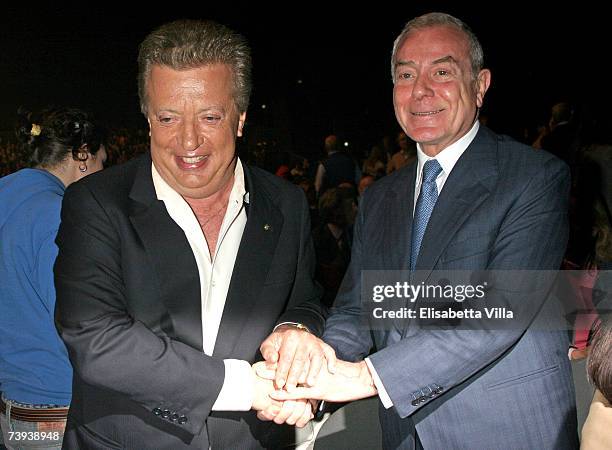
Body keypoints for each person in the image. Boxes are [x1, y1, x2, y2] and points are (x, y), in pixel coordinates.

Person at [267, 12, 578, 449]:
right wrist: (309, 373)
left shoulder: (533, 176)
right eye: (406, 74)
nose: (421, 91)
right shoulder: (379, 197)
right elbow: (360, 309)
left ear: (481, 85)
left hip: (506, 428)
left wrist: (368, 377)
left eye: (443, 72)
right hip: (404, 433)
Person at [53, 20, 334, 450]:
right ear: (147, 118)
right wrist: (248, 387)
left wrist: (296, 330)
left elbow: (304, 299)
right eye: (168, 118)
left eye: (209, 117)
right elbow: (96, 338)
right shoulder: (94, 203)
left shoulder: (287, 203)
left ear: (239, 119)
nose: (188, 140)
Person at [0, 107, 107, 450]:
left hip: (13, 410)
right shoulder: (58, 213)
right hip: (55, 411)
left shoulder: (6, 193)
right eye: (102, 162)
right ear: (82, 156)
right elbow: (76, 318)